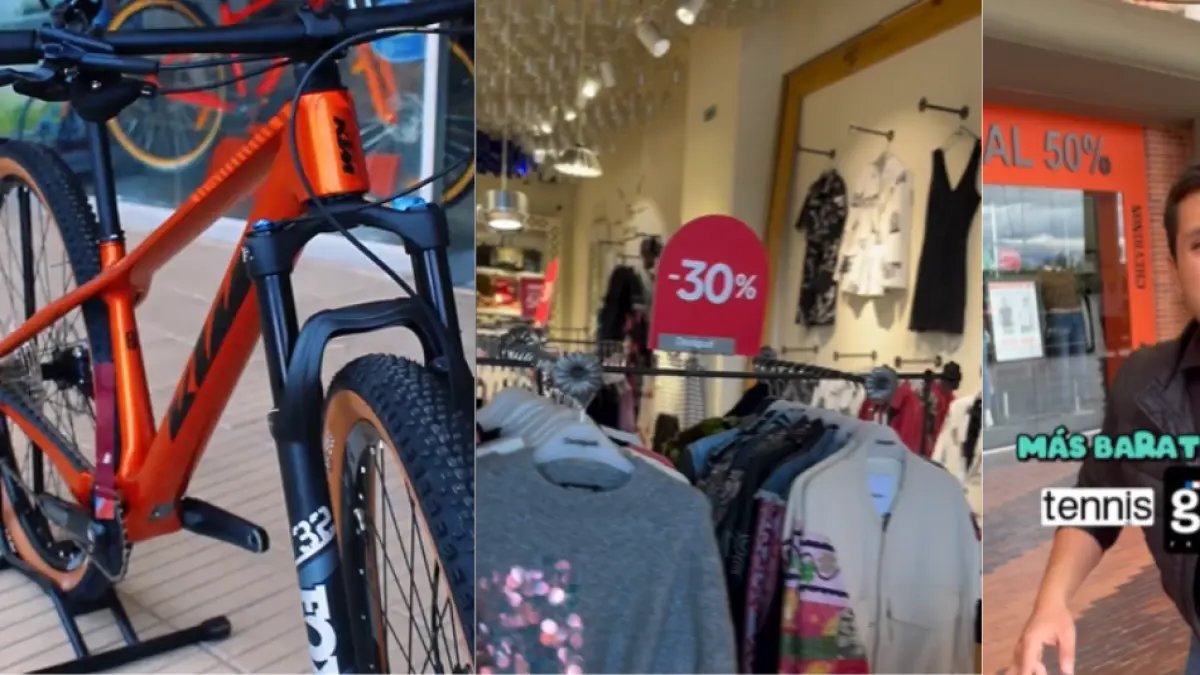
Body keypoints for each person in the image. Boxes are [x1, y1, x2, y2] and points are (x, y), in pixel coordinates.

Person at [1009, 165, 1200, 674]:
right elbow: (1098, 497)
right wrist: (1050, 601)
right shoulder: (1144, 385)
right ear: (1173, 266)